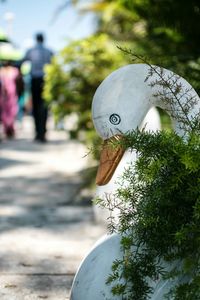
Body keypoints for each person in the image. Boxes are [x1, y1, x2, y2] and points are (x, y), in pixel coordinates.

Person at [23, 33, 53, 142]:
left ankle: (37, 133)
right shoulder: (49, 51)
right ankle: (43, 132)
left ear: (36, 39)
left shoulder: (31, 51)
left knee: (35, 107)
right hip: (45, 81)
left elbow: (23, 61)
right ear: (43, 39)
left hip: (35, 80)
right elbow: (54, 63)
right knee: (44, 107)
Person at [0, 61, 23, 138]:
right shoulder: (14, 70)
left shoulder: (2, 71)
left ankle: (7, 128)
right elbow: (19, 81)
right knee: (11, 111)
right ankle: (9, 128)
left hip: (4, 93)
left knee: (6, 111)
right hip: (10, 92)